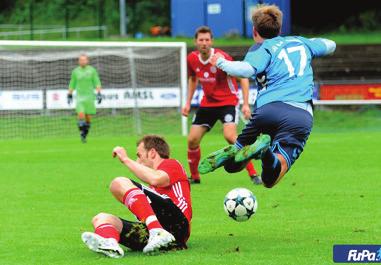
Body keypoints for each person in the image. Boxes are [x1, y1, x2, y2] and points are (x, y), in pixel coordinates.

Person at [198, 4, 336, 188]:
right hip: (299, 115)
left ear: (255, 31)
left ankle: (249, 151)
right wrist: (312, 42)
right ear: (280, 28)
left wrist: (220, 62)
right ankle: (265, 153)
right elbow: (330, 45)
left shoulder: (260, 49)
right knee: (271, 179)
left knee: (232, 166)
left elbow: (246, 70)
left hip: (265, 112)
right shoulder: (301, 42)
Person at [81, 135, 192, 258]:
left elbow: (157, 179)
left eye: (139, 156)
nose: (137, 161)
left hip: (177, 224)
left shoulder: (171, 164)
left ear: (153, 153)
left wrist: (125, 159)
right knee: (101, 218)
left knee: (118, 182)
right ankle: (110, 244)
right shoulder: (152, 188)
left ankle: (157, 231)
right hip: (157, 235)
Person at [182, 26, 261, 185]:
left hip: (227, 102)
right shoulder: (191, 59)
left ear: (211, 41)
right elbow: (193, 79)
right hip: (207, 104)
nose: (204, 43)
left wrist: (245, 104)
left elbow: (243, 78)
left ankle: (253, 174)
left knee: (230, 136)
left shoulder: (221, 58)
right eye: (201, 40)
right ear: (196, 42)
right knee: (192, 140)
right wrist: (188, 103)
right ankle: (195, 177)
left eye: (207, 40)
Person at [67, 54, 102, 143]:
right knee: (81, 114)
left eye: (84, 60)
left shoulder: (92, 70)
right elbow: (72, 83)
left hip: (90, 97)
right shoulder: (75, 71)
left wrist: (99, 93)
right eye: (80, 60)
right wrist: (69, 94)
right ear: (79, 61)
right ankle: (82, 133)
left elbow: (96, 81)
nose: (82, 61)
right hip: (80, 97)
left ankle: (84, 134)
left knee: (88, 118)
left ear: (87, 61)